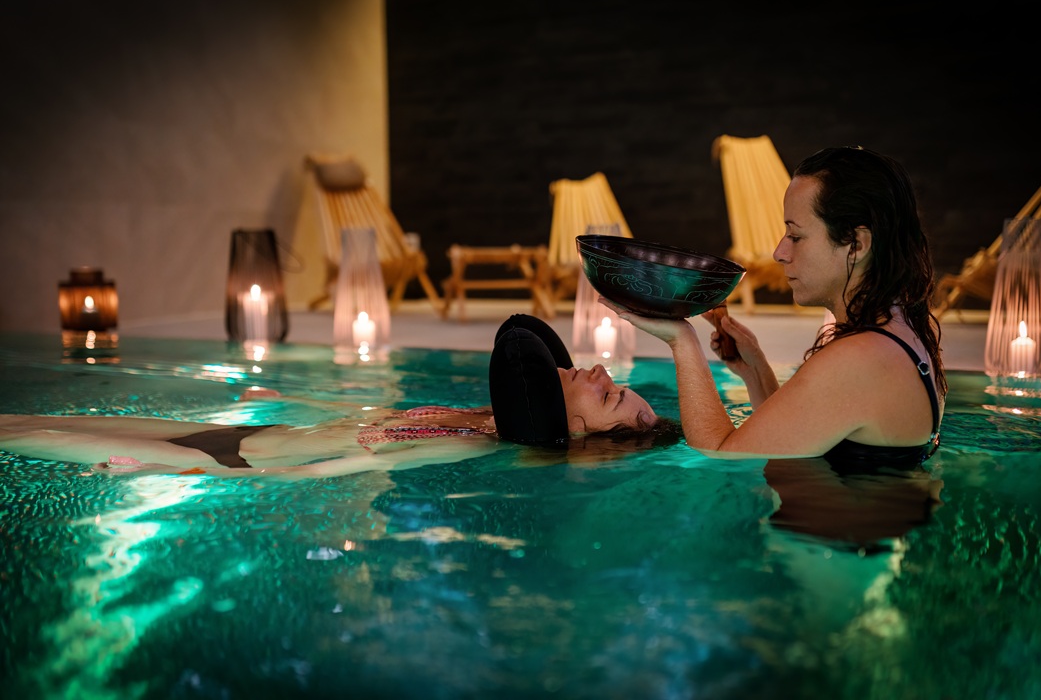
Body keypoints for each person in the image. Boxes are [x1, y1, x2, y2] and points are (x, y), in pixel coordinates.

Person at [0, 315, 679, 476]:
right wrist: (295, 402)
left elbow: (350, 466)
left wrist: (164, 468)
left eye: (611, 399)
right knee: (25, 418)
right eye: (618, 382)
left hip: (234, 466)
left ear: (581, 438)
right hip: (238, 438)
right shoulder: (483, 417)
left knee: (34, 439)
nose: (601, 375)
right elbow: (369, 421)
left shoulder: (467, 445)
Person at [604, 146, 945, 463]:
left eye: (796, 236)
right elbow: (794, 436)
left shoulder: (859, 359)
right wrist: (755, 370)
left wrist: (682, 340)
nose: (779, 253)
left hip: (814, 531)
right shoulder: (911, 330)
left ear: (856, 245)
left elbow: (724, 456)